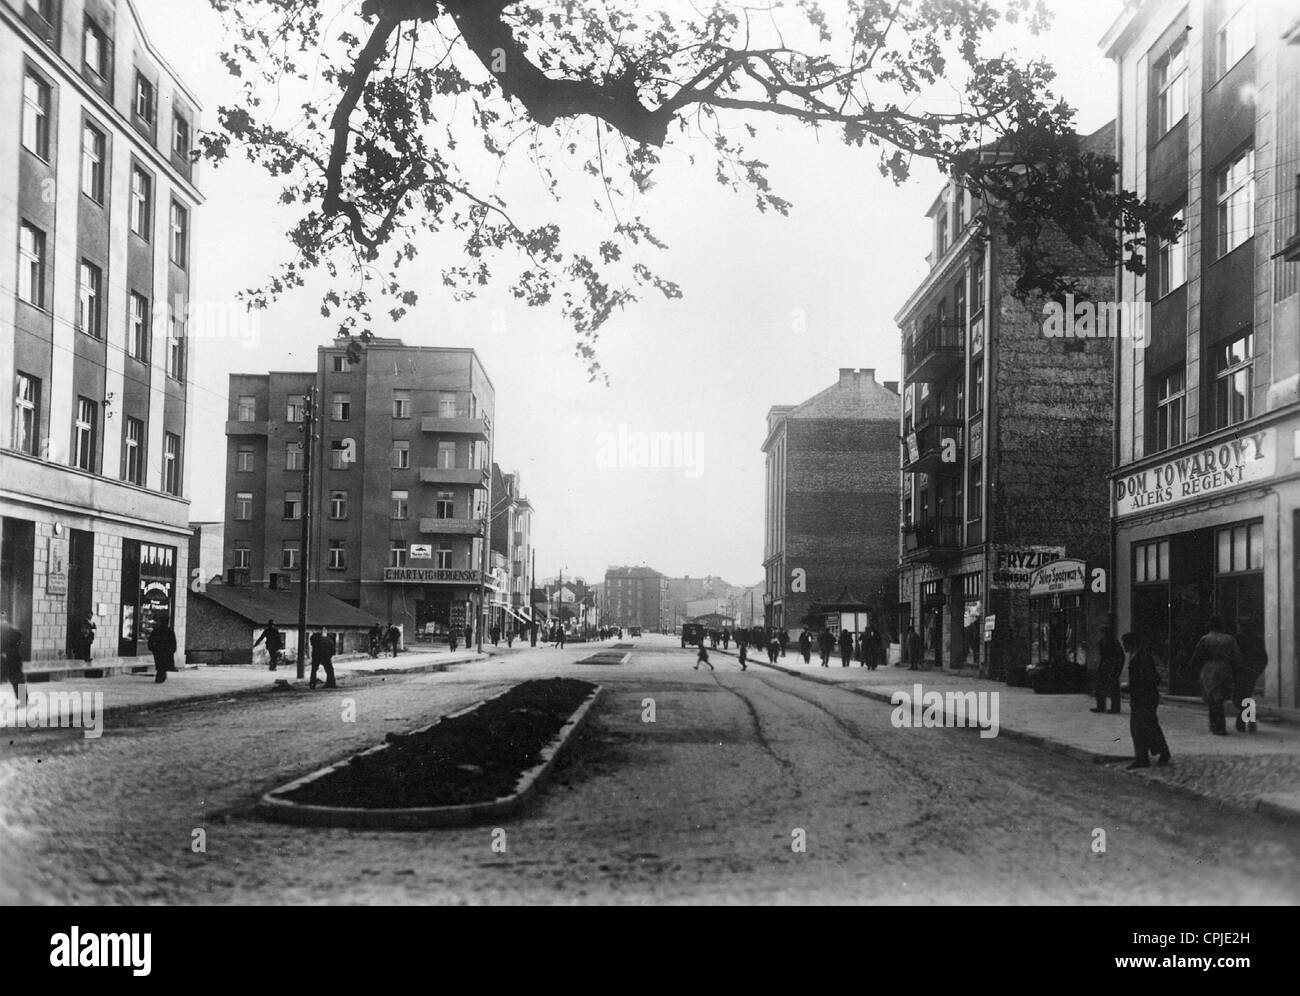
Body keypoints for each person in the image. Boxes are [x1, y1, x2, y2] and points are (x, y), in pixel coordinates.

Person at [1122, 632, 1170, 769]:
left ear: (1131, 644)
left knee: (1138, 729)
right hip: (1146, 697)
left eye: (1125, 643)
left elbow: (1143, 680)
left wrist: (1128, 688)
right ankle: (1163, 751)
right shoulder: (1140, 656)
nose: (1124, 646)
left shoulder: (1140, 658)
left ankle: (1142, 759)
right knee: (1150, 726)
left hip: (1143, 698)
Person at [1188, 616, 1239, 735]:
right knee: (1220, 698)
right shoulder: (1230, 639)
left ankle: (1216, 726)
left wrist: (1193, 667)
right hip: (1225, 668)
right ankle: (1220, 726)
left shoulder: (1205, 639)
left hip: (1209, 668)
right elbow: (1237, 657)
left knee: (1212, 697)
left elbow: (1197, 656)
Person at [1234, 619, 1265, 733]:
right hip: (1251, 673)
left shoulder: (1237, 639)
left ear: (1242, 627)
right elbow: (1263, 658)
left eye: (1239, 626)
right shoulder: (1257, 639)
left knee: (1239, 698)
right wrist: (1257, 671)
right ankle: (1250, 722)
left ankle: (1243, 722)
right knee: (1246, 696)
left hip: (1240, 672)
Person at [1092, 625, 1124, 714]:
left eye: (1105, 633)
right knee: (1099, 687)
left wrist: (1117, 669)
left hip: (1111, 667)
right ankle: (1100, 706)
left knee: (1113, 688)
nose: (1103, 634)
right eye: (1103, 633)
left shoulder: (1114, 643)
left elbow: (1120, 656)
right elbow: (1099, 654)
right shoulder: (1102, 642)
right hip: (1103, 666)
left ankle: (1115, 708)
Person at [1, 611, 24, 701]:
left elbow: (16, 644)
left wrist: (6, 652)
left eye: (3, 619)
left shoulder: (15, 632)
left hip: (12, 659)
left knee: (17, 679)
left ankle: (23, 700)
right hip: (3, 660)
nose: (2, 621)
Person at [148, 614, 177, 684]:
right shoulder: (168, 631)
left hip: (160, 651)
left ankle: (160, 677)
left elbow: (151, 641)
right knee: (162, 665)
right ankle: (161, 677)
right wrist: (172, 650)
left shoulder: (158, 631)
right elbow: (173, 642)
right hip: (162, 651)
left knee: (160, 665)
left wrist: (152, 648)